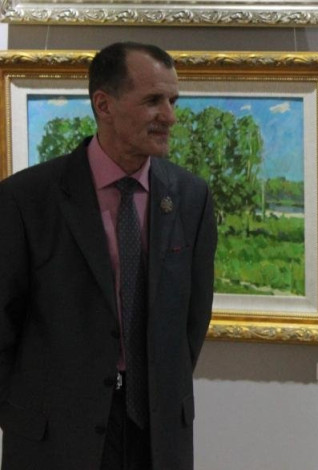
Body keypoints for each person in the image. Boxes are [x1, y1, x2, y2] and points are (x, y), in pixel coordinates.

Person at [0, 42, 217, 470]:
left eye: (172, 101)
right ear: (104, 105)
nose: (170, 117)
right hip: (53, 436)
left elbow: (192, 320)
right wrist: (25, 408)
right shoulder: (26, 199)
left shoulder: (192, 197)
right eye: (153, 101)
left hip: (157, 434)